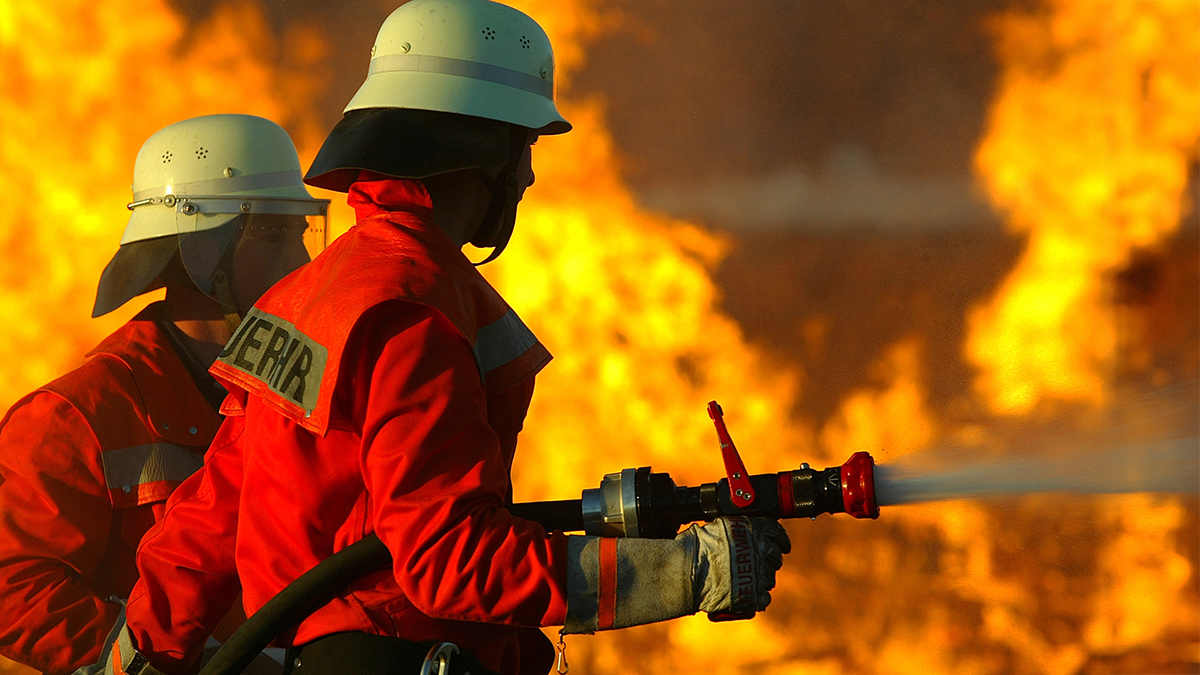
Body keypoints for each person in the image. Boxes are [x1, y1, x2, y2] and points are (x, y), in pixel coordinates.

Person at [113, 3, 791, 675]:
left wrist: (136, 655)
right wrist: (690, 571)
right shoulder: (412, 310)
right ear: (476, 151)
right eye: (522, 147)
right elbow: (449, 562)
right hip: (396, 652)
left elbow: (213, 511)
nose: (526, 175)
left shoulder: (309, 293)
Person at [0, 114, 328, 675]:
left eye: (300, 234)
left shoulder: (309, 393)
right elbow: (12, 586)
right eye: (273, 236)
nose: (300, 263)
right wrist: (177, 664)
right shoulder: (79, 416)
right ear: (199, 251)